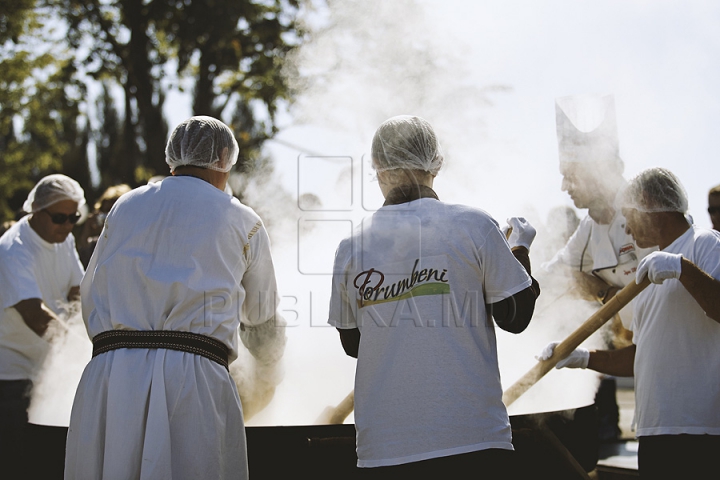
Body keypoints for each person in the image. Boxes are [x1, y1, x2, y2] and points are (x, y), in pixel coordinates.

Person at [65, 116, 285, 479]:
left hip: (110, 376)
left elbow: (92, 288)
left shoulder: (125, 206)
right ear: (226, 155)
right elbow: (262, 320)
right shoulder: (243, 220)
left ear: (173, 158)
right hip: (193, 381)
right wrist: (269, 375)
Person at [328, 115, 540, 478]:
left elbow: (353, 343)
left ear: (377, 167)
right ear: (436, 164)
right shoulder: (474, 225)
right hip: (473, 440)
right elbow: (515, 317)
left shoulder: (352, 246)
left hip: (385, 448)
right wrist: (519, 252)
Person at [539, 167, 720, 479]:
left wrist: (682, 269)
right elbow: (641, 357)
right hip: (654, 431)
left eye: (627, 216)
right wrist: (583, 358)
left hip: (701, 429)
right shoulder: (649, 274)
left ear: (648, 204)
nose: (626, 229)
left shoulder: (704, 244)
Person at [544, 94, 656, 441]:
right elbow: (553, 278)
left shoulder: (647, 211)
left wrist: (602, 291)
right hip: (649, 383)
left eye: (571, 175)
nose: (564, 186)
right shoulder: (589, 228)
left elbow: (662, 296)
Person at [0, 174, 86, 478]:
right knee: (16, 463)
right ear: (35, 211)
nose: (66, 225)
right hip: (11, 378)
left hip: (44, 370)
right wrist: (83, 349)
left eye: (73, 218)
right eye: (59, 217)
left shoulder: (64, 240)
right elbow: (35, 316)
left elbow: (78, 292)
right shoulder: (13, 250)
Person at [76, 183, 131, 267]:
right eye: (106, 212)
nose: (110, 217)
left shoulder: (135, 240)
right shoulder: (96, 245)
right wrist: (86, 233)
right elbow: (83, 267)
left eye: (116, 211)